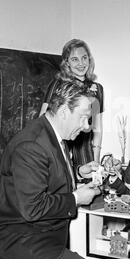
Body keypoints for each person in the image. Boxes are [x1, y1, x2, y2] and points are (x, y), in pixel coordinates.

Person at [0, 81, 101, 259]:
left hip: (41, 236)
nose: (86, 126)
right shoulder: (32, 145)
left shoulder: (56, 135)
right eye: (83, 118)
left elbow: (48, 176)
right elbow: (33, 207)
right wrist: (76, 198)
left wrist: (78, 176)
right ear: (64, 111)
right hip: (21, 241)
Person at [40, 39, 104, 168]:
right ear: (67, 63)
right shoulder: (58, 84)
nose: (81, 63)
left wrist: (96, 158)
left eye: (84, 58)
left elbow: (97, 128)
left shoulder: (97, 88)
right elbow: (43, 119)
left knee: (88, 185)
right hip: (61, 147)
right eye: (74, 59)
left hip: (85, 151)